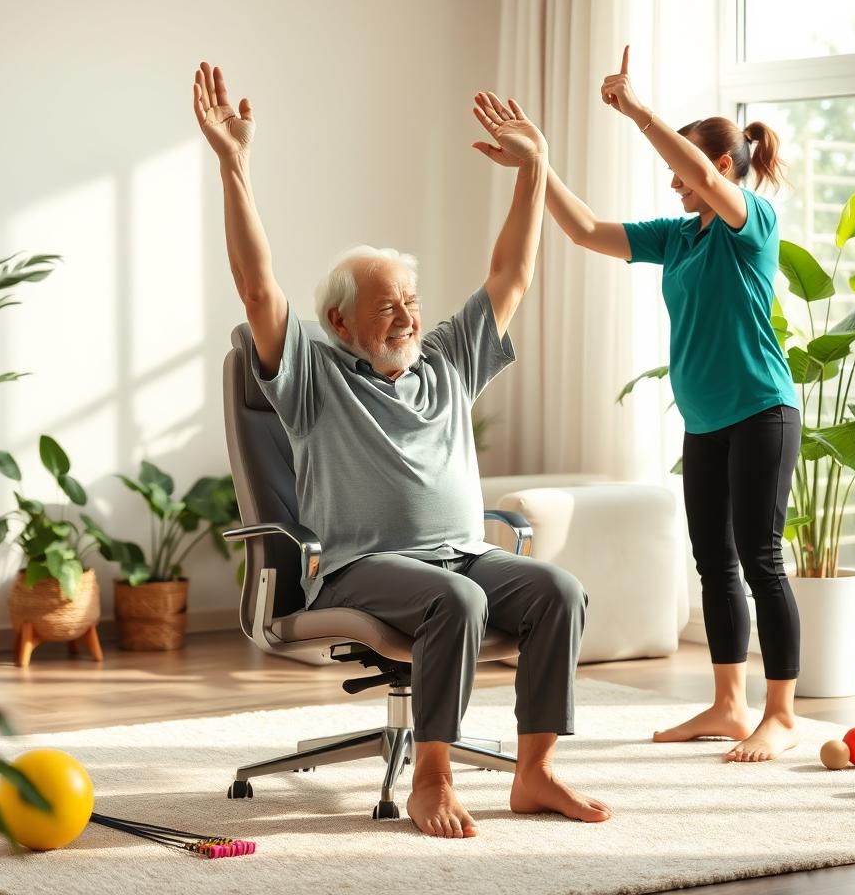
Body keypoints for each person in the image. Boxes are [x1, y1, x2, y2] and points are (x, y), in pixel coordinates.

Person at [192, 61, 613, 837]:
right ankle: (432, 778)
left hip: (460, 550)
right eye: (388, 307)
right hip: (362, 568)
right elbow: (257, 289)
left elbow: (512, 271)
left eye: (412, 303)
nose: (407, 318)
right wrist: (234, 164)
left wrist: (537, 167)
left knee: (559, 591)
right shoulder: (313, 373)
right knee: (456, 601)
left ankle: (535, 772)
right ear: (340, 322)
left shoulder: (449, 361)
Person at [472, 47, 801, 764]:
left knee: (760, 558)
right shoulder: (680, 238)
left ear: (711, 163)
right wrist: (536, 165)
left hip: (762, 411)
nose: (672, 179)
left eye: (682, 165)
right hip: (707, 420)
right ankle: (727, 703)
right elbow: (586, 230)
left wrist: (637, 110)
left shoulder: (754, 224)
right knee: (713, 561)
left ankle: (779, 713)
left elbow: (711, 178)